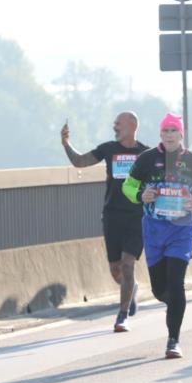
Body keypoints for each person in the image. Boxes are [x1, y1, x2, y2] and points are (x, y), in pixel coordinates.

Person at [122, 114, 192, 358]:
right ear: (160, 134)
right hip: (153, 229)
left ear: (181, 134)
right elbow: (127, 186)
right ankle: (174, 303)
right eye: (165, 131)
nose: (169, 135)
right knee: (159, 290)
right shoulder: (147, 159)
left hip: (181, 230)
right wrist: (140, 195)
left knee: (176, 282)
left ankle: (173, 340)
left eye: (174, 130)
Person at [61, 112, 149, 332]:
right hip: (112, 216)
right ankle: (130, 289)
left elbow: (162, 176)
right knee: (116, 270)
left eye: (118, 123)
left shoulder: (145, 154)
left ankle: (122, 315)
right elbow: (80, 162)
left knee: (128, 264)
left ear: (132, 126)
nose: (114, 126)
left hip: (137, 217)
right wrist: (66, 144)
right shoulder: (108, 149)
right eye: (114, 124)